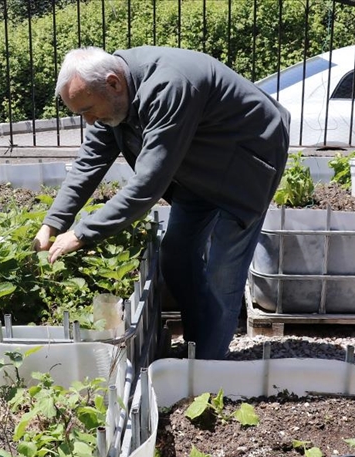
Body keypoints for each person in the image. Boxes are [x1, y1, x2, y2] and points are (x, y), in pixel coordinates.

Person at [32, 45, 290, 360]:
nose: (88, 121)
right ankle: (198, 343)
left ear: (113, 84)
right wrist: (53, 223)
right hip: (198, 168)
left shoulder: (169, 85)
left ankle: (206, 368)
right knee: (176, 256)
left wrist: (83, 232)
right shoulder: (114, 93)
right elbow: (89, 162)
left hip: (245, 164)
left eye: (87, 110)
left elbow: (148, 185)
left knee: (223, 275)